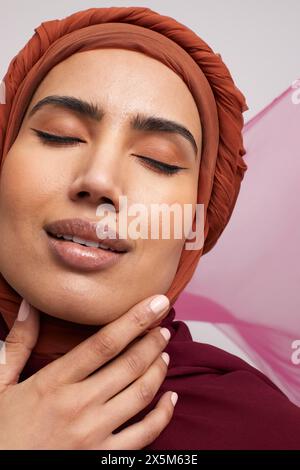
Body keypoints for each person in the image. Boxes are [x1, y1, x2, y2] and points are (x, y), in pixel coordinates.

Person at [0, 6, 299, 450]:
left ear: (198, 222)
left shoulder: (265, 434)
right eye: (60, 135)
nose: (99, 180)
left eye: (159, 160)